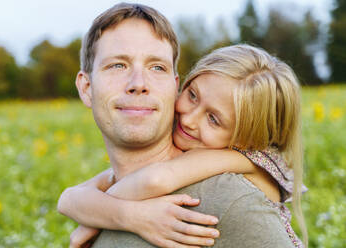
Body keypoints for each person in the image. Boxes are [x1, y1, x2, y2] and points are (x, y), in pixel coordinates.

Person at [58, 2, 306, 247]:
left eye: (157, 67)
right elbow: (69, 198)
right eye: (118, 65)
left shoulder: (231, 196)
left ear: (172, 85)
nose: (138, 82)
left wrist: (99, 218)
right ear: (86, 87)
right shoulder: (110, 189)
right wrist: (116, 214)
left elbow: (157, 179)